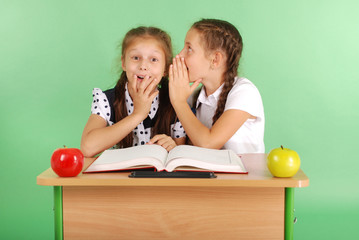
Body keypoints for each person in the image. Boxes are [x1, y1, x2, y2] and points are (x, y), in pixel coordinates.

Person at [81, 26, 186, 157]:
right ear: (123, 63)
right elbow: (87, 147)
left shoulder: (175, 103)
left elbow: (181, 157)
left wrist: (173, 146)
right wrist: (138, 114)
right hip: (118, 177)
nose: (143, 66)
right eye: (136, 57)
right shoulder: (106, 100)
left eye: (154, 59)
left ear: (165, 69)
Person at [167, 19, 264, 154]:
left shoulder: (244, 92)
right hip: (214, 175)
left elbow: (208, 143)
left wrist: (179, 102)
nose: (180, 55)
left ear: (215, 60)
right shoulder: (194, 98)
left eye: (189, 49)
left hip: (246, 174)